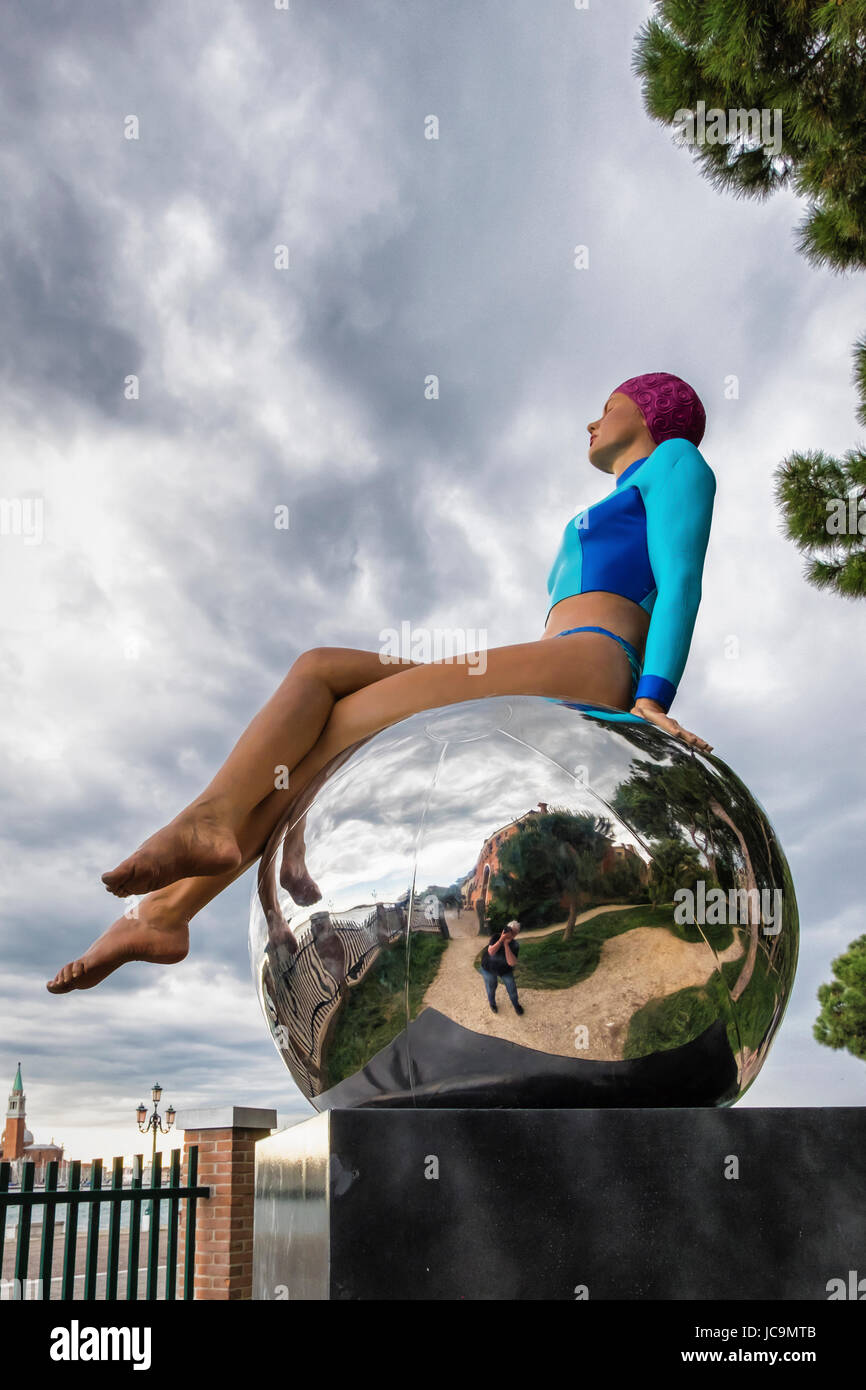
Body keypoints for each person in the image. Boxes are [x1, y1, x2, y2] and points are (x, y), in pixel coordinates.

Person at [47, 370, 716, 994]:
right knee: (320, 672)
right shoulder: (623, 492)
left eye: (606, 408)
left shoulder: (676, 462)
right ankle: (171, 898)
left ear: (651, 410)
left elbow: (681, 578)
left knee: (334, 722)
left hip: (590, 659)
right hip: (561, 651)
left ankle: (187, 871)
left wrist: (653, 695)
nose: (590, 423)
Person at [480, 921, 523, 1015]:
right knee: (491, 987)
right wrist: (501, 939)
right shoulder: (496, 937)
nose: (512, 934)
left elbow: (511, 963)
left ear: (516, 934)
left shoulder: (515, 945)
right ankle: (492, 1004)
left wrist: (506, 944)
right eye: (510, 931)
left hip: (505, 970)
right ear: (505, 930)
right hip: (488, 968)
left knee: (512, 988)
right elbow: (491, 952)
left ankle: (516, 1005)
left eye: (514, 933)